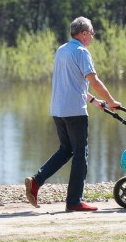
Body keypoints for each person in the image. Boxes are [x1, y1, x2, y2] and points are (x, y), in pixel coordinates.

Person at [25, 17, 120, 211]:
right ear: (84, 33)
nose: (92, 37)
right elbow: (94, 81)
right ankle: (74, 201)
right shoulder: (81, 52)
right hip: (75, 112)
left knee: (66, 150)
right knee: (80, 155)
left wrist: (95, 102)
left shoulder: (61, 51)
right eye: (92, 33)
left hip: (58, 110)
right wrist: (111, 102)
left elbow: (74, 84)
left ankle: (36, 181)